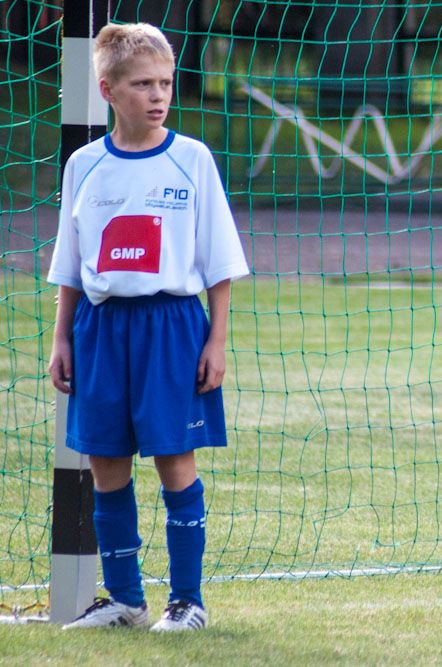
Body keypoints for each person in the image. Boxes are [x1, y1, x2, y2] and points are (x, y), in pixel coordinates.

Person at [47, 22, 249, 632]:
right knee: (106, 464)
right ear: (108, 90)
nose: (157, 95)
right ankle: (126, 600)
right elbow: (71, 262)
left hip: (172, 328)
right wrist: (61, 336)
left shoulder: (192, 159)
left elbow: (218, 262)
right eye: (142, 85)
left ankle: (188, 602)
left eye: (165, 83)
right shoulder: (84, 165)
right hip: (101, 329)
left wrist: (216, 340)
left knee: (173, 460)